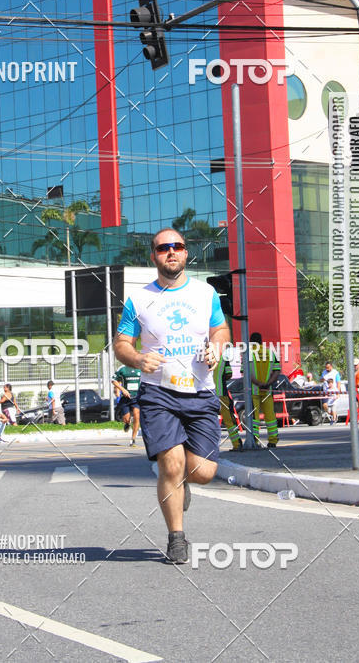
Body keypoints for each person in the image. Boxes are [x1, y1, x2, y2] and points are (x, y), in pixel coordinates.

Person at [113, 227, 230, 565]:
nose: (171, 252)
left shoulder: (205, 293)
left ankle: (181, 483)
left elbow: (220, 329)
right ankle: (176, 538)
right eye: (164, 248)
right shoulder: (139, 299)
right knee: (172, 463)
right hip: (158, 393)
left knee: (203, 471)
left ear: (186, 252)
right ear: (154, 256)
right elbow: (121, 343)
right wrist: (138, 359)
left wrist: (217, 347)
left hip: (200, 391)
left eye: (177, 246)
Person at [250, 331, 281, 448]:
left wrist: (258, 383)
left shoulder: (248, 353)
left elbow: (246, 373)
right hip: (267, 390)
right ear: (261, 341)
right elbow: (277, 371)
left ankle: (255, 441)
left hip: (254, 390)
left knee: (254, 418)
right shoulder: (271, 352)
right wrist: (268, 383)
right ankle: (273, 440)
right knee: (270, 416)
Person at [214, 348, 242, 451]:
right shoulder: (223, 357)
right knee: (229, 420)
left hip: (206, 394)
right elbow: (229, 374)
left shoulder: (201, 356)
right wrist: (221, 378)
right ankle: (237, 444)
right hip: (221, 393)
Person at [112, 363, 141, 446]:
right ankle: (127, 423)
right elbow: (113, 380)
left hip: (136, 398)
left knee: (137, 416)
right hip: (125, 398)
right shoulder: (122, 369)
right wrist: (122, 390)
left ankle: (133, 439)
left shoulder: (140, 368)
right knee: (126, 418)